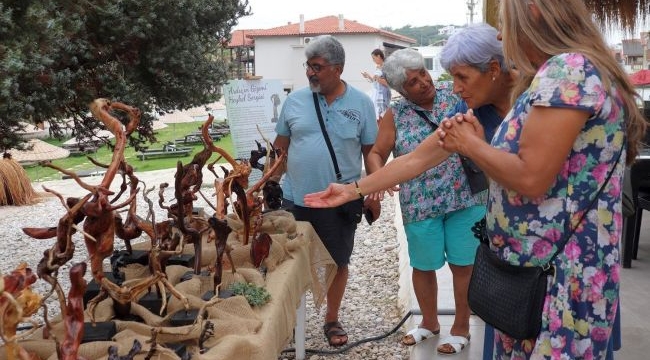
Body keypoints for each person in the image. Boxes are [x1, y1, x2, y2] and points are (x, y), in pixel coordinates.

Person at [304, 0, 647, 358]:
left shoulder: (568, 71)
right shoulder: (547, 79)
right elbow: (420, 157)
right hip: (532, 273)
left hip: (558, 275)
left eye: (506, 23)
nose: (502, 34)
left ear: (532, 14)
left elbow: (530, 178)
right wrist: (354, 189)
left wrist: (472, 144)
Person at [364, 47, 483, 355]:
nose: (423, 82)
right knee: (423, 265)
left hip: (465, 198)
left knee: (464, 265)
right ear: (401, 90)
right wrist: (379, 179)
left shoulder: (454, 96)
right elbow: (376, 152)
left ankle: (461, 327)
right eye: (413, 82)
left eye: (423, 74)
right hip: (420, 203)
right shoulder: (396, 113)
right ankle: (429, 323)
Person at [272, 35, 379, 347]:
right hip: (294, 198)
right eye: (308, 66)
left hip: (339, 201)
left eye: (317, 67)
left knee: (338, 261)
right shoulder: (294, 101)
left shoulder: (361, 104)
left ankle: (331, 318)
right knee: (287, 263)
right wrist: (264, 186)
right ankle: (288, 319)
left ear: (338, 69)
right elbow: (280, 150)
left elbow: (371, 153)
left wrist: (372, 193)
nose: (310, 72)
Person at [362, 49, 392, 123]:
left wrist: (378, 79)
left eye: (374, 58)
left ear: (378, 56)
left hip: (383, 94)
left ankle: (382, 131)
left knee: (381, 114)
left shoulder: (386, 67)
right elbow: (375, 81)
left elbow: (388, 83)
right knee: (376, 115)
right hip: (377, 93)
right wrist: (368, 76)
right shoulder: (378, 67)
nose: (373, 60)